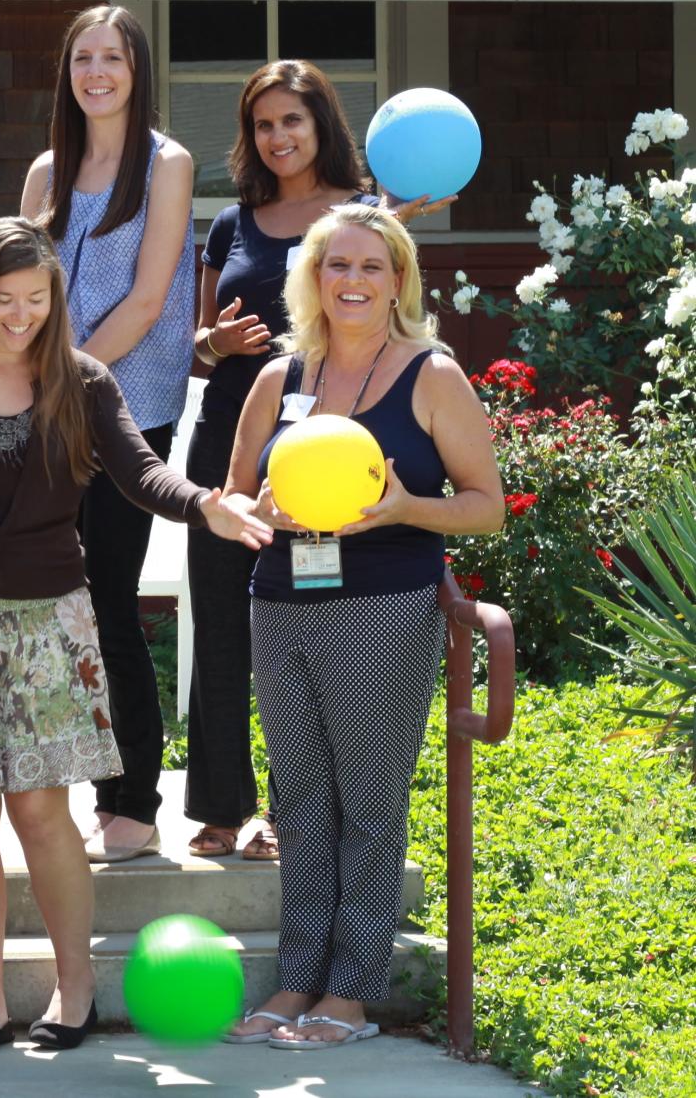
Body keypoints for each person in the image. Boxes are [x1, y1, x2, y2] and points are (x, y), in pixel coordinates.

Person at [0, 219, 271, 1053]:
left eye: (35, 299)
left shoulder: (81, 379)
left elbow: (139, 472)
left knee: (43, 813)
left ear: (54, 300)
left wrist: (206, 504)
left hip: (48, 620)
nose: (19, 315)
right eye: (3, 298)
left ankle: (73, 989)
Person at [222, 204, 501, 1049]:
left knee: (370, 804)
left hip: (384, 606)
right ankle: (299, 977)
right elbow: (229, 496)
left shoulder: (432, 375)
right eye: (336, 264)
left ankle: (352, 991)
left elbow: (486, 509)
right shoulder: (280, 376)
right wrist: (253, 510)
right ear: (312, 277)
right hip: (281, 601)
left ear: (399, 281)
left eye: (372, 267)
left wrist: (401, 509)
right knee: (299, 802)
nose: (353, 280)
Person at [19, 4, 195, 863]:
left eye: (113, 58)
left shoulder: (166, 164)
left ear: (137, 71)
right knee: (63, 607)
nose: (97, 72)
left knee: (112, 604)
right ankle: (93, 790)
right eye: (83, 57)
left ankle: (136, 801)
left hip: (127, 408)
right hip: (44, 415)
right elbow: (18, 287)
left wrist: (69, 374)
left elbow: (151, 297)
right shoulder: (46, 172)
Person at [186, 61, 374, 862]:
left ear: (320, 123)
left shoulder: (362, 217)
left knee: (306, 632)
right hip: (229, 439)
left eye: (292, 120)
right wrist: (217, 342)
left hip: (326, 450)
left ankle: (298, 812)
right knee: (222, 621)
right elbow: (196, 347)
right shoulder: (232, 224)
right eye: (263, 124)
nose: (278, 137)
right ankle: (223, 807)